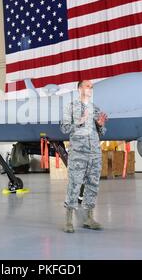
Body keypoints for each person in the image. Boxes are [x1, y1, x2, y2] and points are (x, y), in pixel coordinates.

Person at [60, 80, 108, 233]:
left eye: (92, 87)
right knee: (74, 184)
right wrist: (78, 122)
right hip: (78, 153)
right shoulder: (71, 107)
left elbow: (103, 133)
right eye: (88, 86)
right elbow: (64, 128)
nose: (91, 88)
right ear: (80, 89)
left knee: (93, 185)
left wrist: (100, 125)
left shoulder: (95, 109)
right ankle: (68, 220)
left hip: (94, 153)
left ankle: (89, 218)